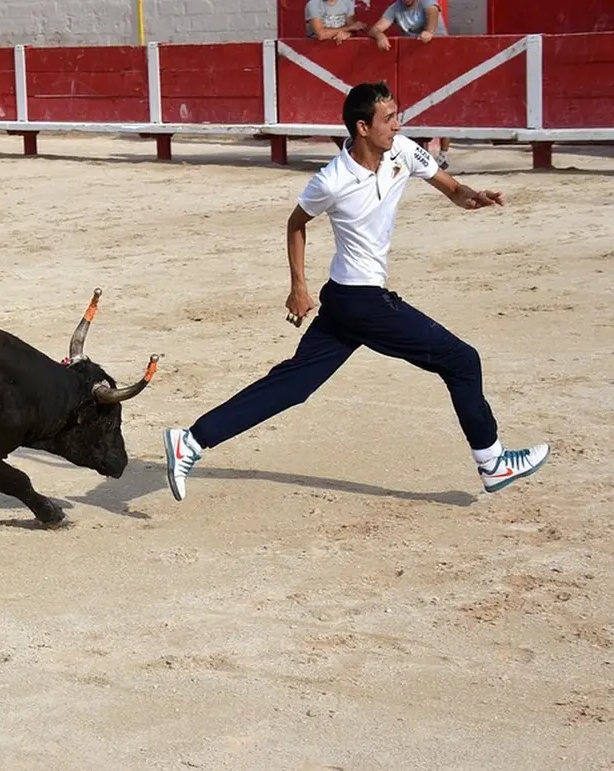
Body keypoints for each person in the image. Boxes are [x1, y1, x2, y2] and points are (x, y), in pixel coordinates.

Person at [162, 81, 549, 503]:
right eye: (388, 119)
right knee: (461, 360)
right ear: (362, 128)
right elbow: (295, 224)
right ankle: (492, 462)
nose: (397, 125)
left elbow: (452, 188)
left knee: (293, 386)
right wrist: (298, 287)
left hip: (347, 301)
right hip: (362, 301)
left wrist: (474, 197)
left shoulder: (400, 150)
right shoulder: (332, 180)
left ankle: (192, 441)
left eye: (397, 115)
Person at [368, 0, 452, 168]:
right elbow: (375, 28)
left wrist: (429, 31)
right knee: (414, 104)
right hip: (414, 61)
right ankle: (417, 151)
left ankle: (443, 154)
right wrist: (379, 35)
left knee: (443, 105)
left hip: (439, 58)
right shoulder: (396, 7)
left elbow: (433, 13)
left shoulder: (426, 2)